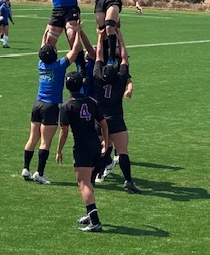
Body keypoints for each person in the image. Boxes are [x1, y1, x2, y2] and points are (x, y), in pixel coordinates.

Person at [22, 26, 83, 184]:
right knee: (45, 142)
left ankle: (26, 168)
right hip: (50, 107)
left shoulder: (41, 64)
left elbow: (43, 47)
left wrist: (46, 32)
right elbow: (75, 50)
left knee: (32, 138)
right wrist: (77, 32)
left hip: (37, 104)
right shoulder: (59, 66)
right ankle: (39, 173)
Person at [56, 72, 109, 232]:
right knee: (90, 182)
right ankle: (89, 214)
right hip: (95, 145)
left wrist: (59, 150)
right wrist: (106, 142)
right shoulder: (92, 101)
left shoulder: (66, 106)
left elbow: (64, 131)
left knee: (83, 183)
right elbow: (103, 123)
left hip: (82, 148)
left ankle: (95, 221)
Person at [92, 30, 140, 192]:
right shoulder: (120, 80)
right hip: (116, 120)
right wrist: (119, 35)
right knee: (122, 151)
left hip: (100, 121)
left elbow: (99, 55)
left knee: (99, 150)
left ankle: (93, 178)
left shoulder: (98, 78)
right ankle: (128, 181)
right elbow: (125, 57)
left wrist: (100, 36)